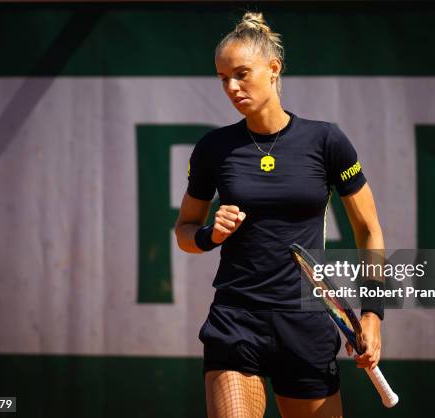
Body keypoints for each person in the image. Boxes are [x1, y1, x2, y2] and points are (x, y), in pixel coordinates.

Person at [174, 12, 384, 418]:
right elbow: (184, 230)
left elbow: (368, 229)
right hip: (237, 318)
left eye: (241, 73)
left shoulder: (326, 141)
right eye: (223, 78)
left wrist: (373, 317)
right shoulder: (214, 149)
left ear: (273, 69)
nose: (232, 87)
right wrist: (208, 236)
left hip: (306, 322)